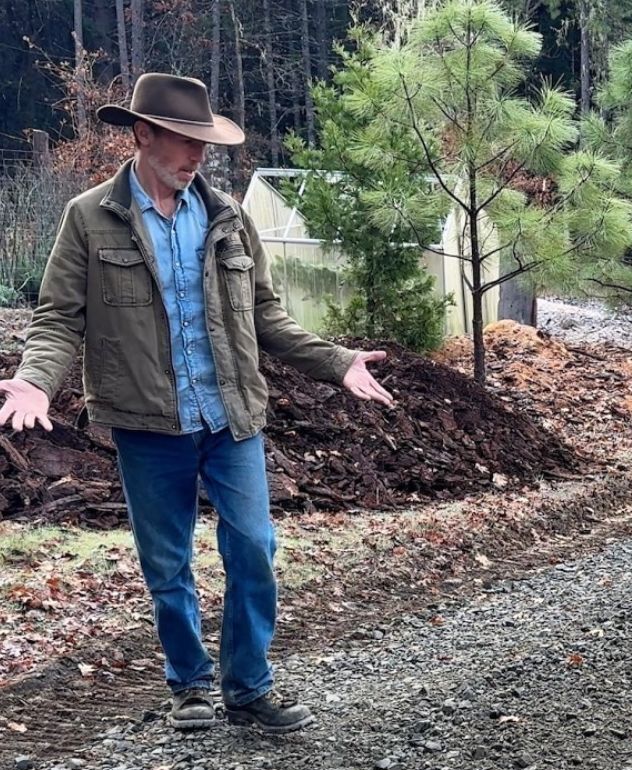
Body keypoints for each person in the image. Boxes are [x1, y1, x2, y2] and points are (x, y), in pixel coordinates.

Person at [0, 73, 394, 733]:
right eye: (184, 142)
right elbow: (58, 318)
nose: (196, 157)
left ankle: (248, 687)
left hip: (230, 416)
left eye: (203, 145)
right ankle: (190, 686)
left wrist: (336, 361)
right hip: (149, 425)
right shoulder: (89, 218)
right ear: (143, 135)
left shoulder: (228, 216)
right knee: (168, 563)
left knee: (254, 548)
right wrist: (37, 379)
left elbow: (266, 315)